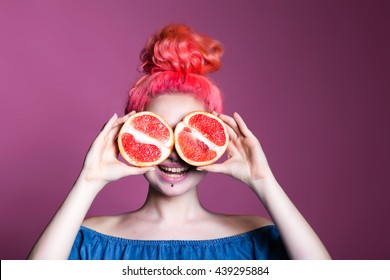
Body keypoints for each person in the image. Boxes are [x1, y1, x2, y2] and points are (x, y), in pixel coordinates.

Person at [27, 24, 331, 260]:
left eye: (191, 134)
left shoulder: (255, 235)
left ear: (216, 137)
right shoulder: (90, 239)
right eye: (159, 131)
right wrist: (88, 181)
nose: (174, 153)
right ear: (129, 134)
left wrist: (264, 181)